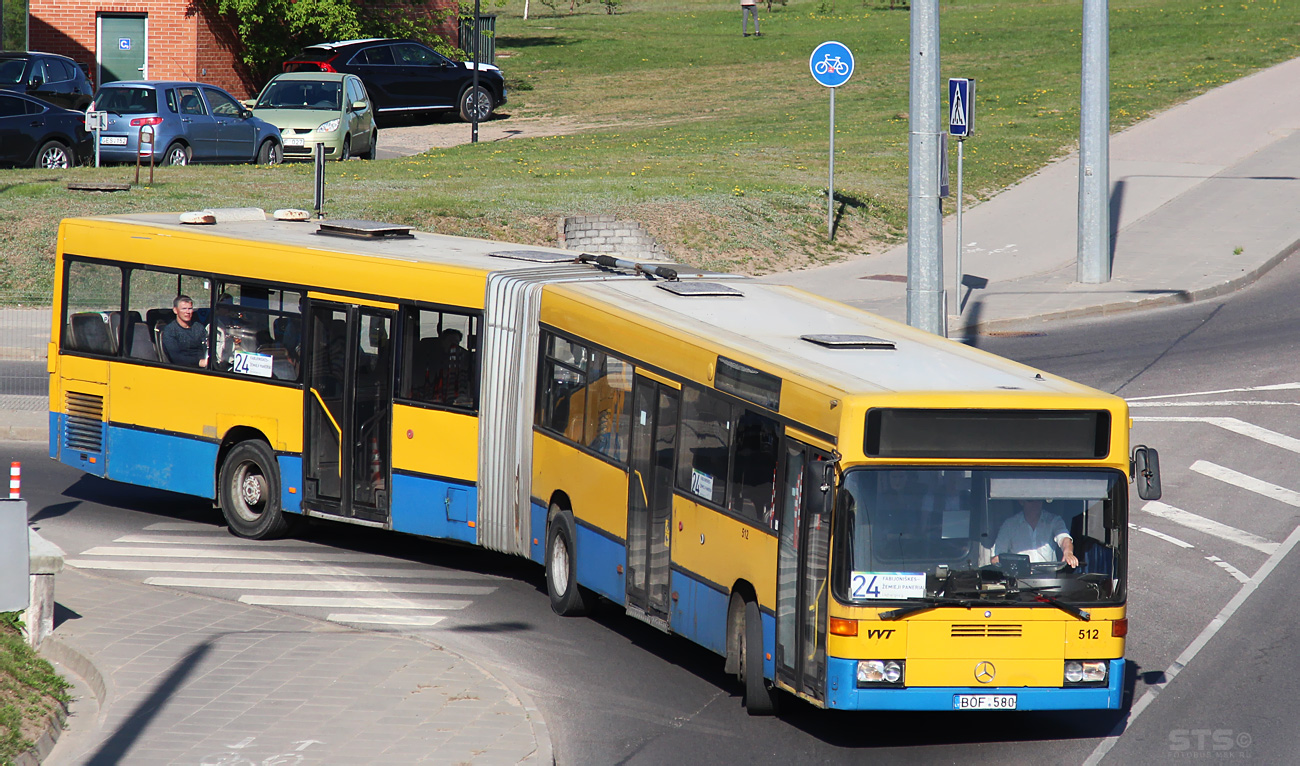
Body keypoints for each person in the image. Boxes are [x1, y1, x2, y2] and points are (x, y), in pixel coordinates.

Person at [992, 498, 1078, 567]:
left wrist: (1068, 553)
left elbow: (1064, 538)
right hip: (1019, 583)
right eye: (1031, 500)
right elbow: (998, 556)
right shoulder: (1009, 525)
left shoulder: (1053, 520)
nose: (1036, 503)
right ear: (1021, 501)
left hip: (1049, 583)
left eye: (1039, 499)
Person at [160, 294, 208, 368]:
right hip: (182, 369)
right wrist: (199, 362)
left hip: (205, 367)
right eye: (184, 308)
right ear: (175, 310)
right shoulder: (170, 330)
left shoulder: (199, 327)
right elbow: (176, 357)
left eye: (190, 308)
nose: (187, 312)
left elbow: (206, 347)